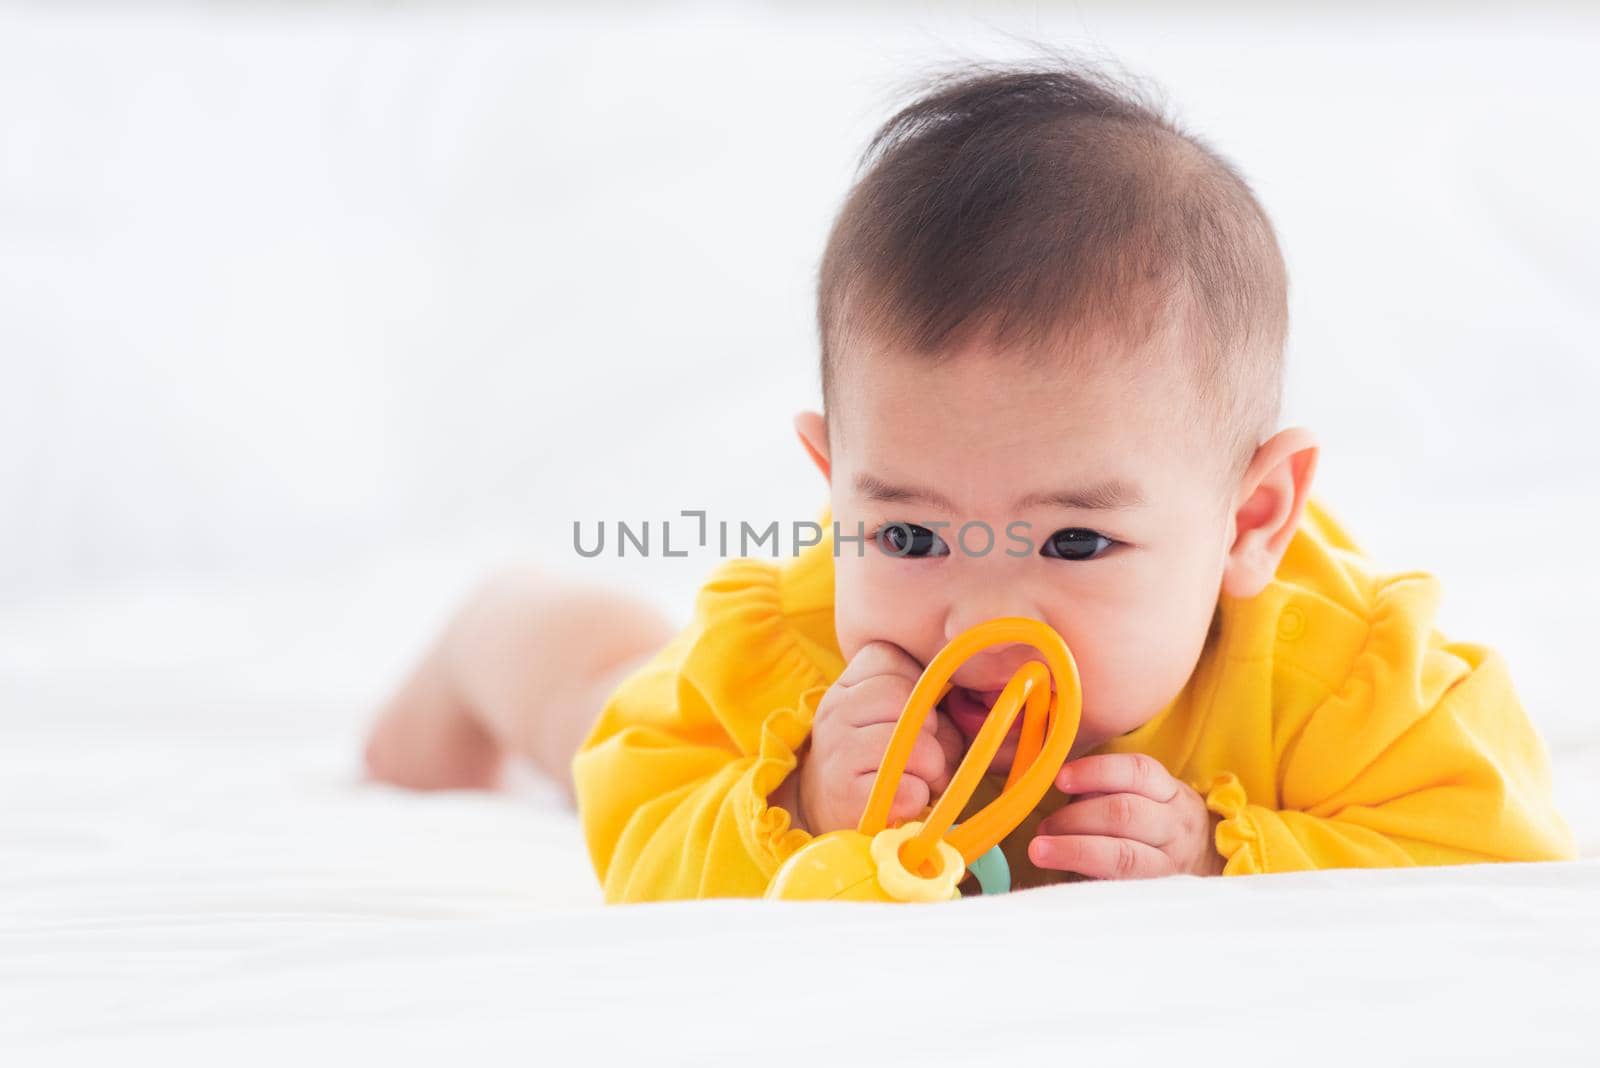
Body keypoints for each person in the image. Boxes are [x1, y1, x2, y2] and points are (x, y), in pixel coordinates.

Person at [363, 56, 1576, 902]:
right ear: (836, 493)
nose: (980, 614)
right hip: (724, 714)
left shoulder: (1342, 680)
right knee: (599, 703)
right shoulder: (799, 660)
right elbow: (640, 831)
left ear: (1249, 520)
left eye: (1074, 546)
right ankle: (493, 629)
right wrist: (799, 805)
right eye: (904, 539)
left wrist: (1226, 853)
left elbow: (1497, 848)